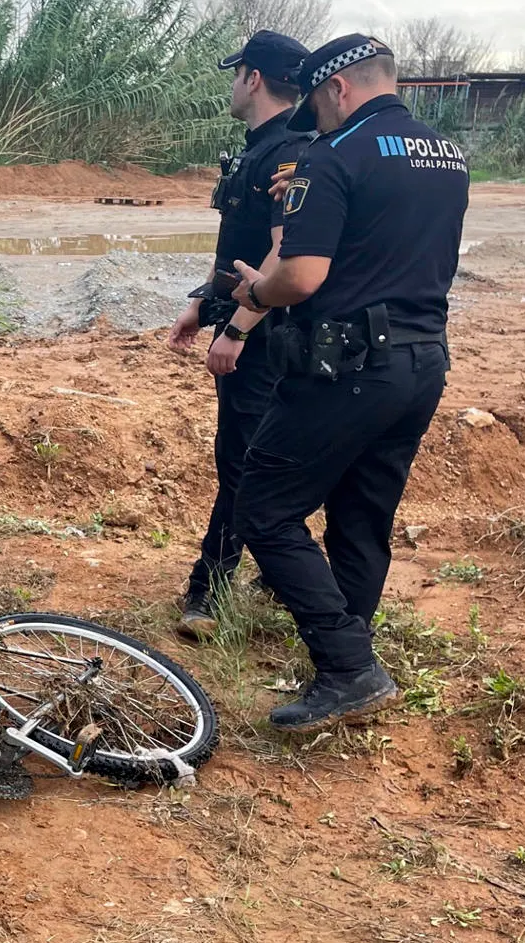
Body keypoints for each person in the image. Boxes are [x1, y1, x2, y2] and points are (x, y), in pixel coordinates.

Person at [228, 34, 470, 732]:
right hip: (422, 361)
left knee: (265, 508)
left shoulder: (331, 158)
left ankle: (348, 666)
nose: (315, 119)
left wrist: (260, 288)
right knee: (362, 517)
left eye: (317, 105)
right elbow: (386, 239)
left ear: (337, 89)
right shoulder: (447, 156)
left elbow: (302, 275)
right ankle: (347, 664)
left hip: (348, 365)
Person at [166, 29, 310, 640]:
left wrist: (240, 330)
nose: (231, 85)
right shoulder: (260, 150)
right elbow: (241, 246)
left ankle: (211, 588)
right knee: (262, 454)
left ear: (252, 78)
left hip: (269, 334)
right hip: (248, 319)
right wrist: (205, 301)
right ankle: (274, 576)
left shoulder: (290, 155)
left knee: (243, 462)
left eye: (236, 75)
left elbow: (284, 253)